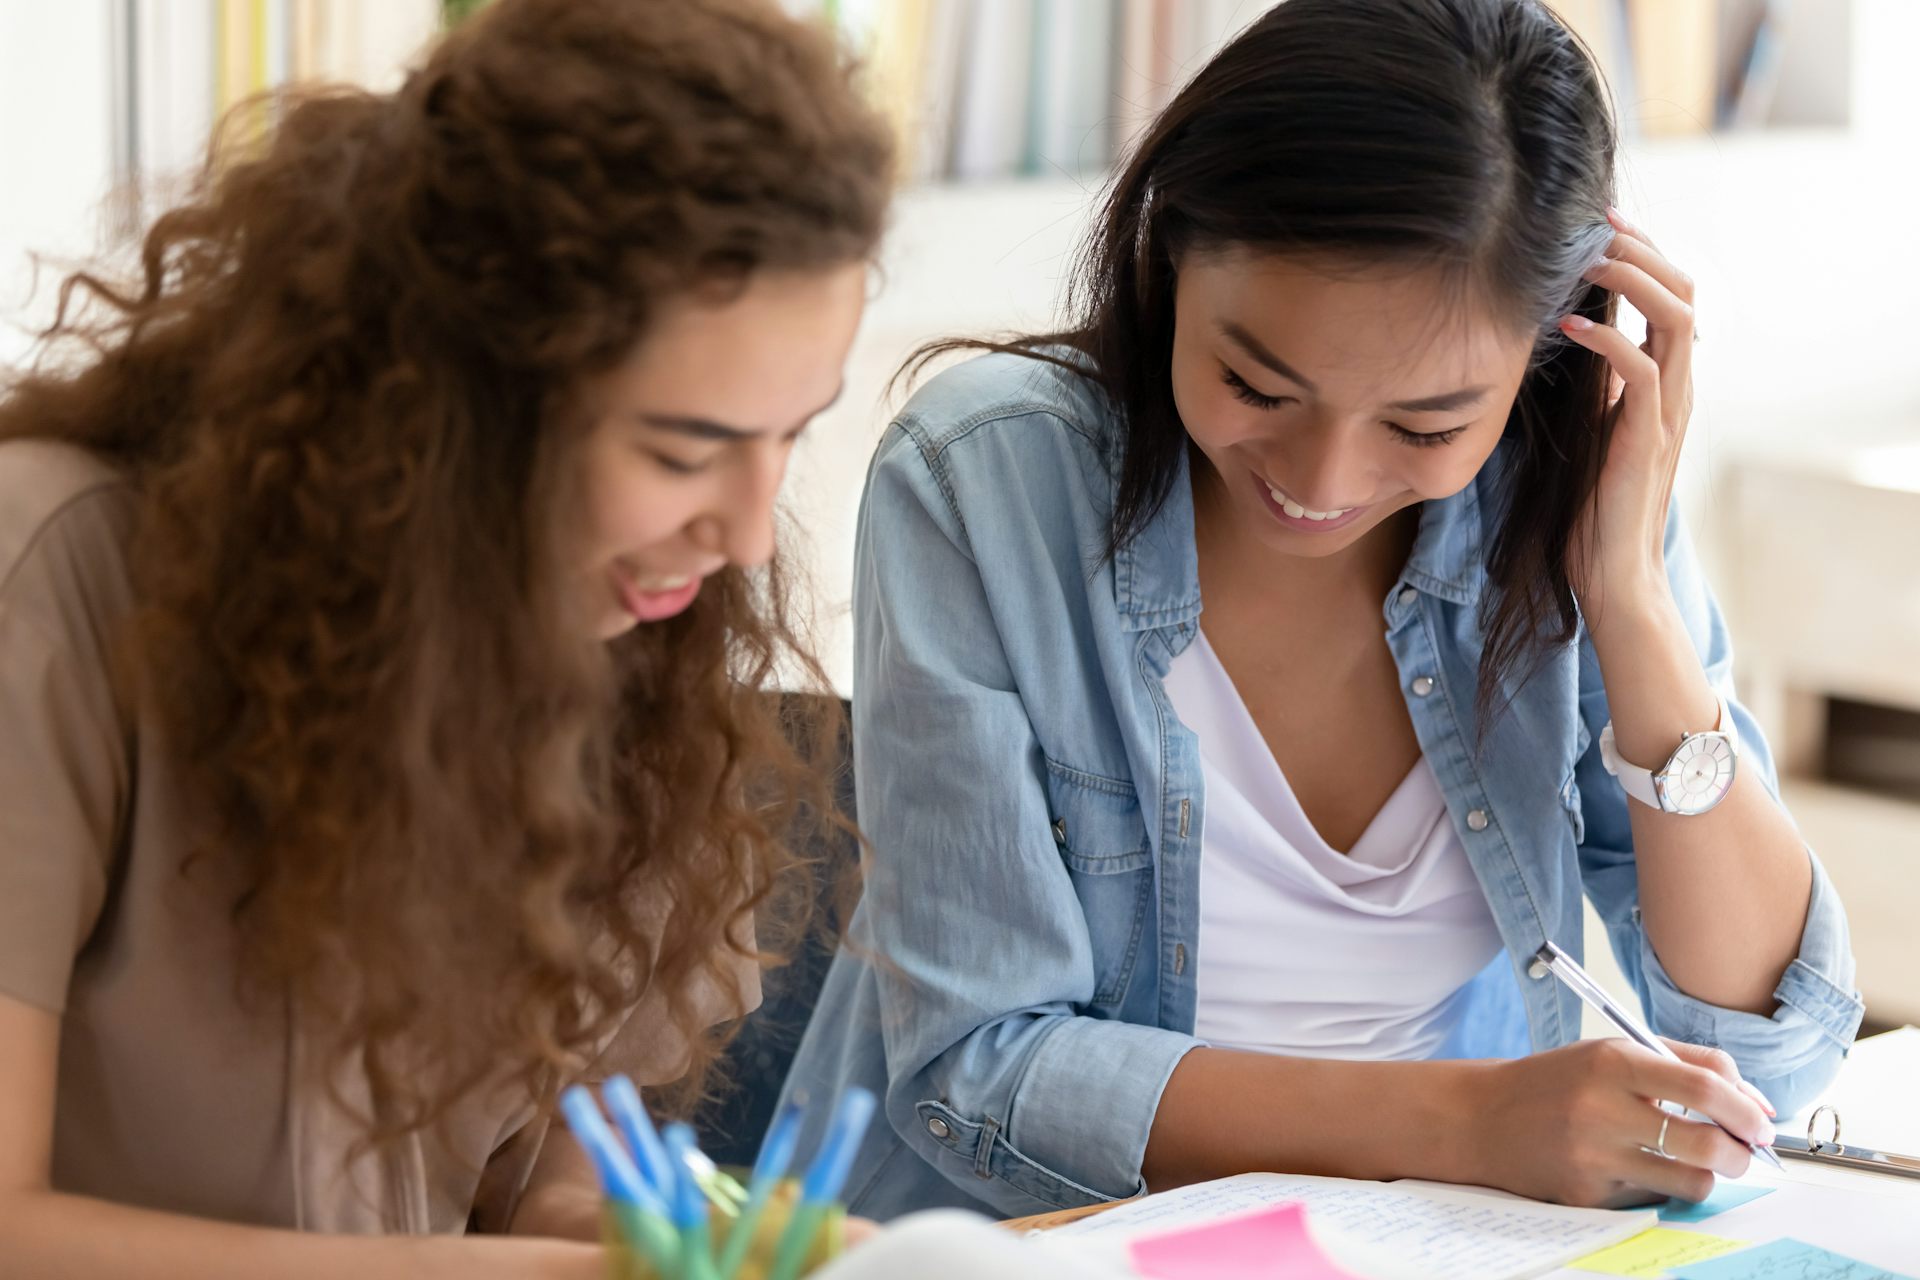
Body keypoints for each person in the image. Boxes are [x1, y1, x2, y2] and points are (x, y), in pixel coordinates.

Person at [779, 0, 1862, 1222]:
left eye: (1427, 424)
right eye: (1255, 381)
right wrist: (1473, 1121)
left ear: (1545, 360)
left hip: (1425, 1239)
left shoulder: (1566, 492)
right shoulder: (983, 479)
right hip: (1036, 1241)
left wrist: (1632, 600)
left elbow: (1773, 1049)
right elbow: (978, 1075)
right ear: (1170, 250)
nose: (1322, 481)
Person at [0, 0, 892, 1274]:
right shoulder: (54, 575)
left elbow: (556, 1203)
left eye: (789, 432)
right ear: (453, 398)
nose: (748, 537)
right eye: (681, 448)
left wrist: (693, 1251)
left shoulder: (643, 680)